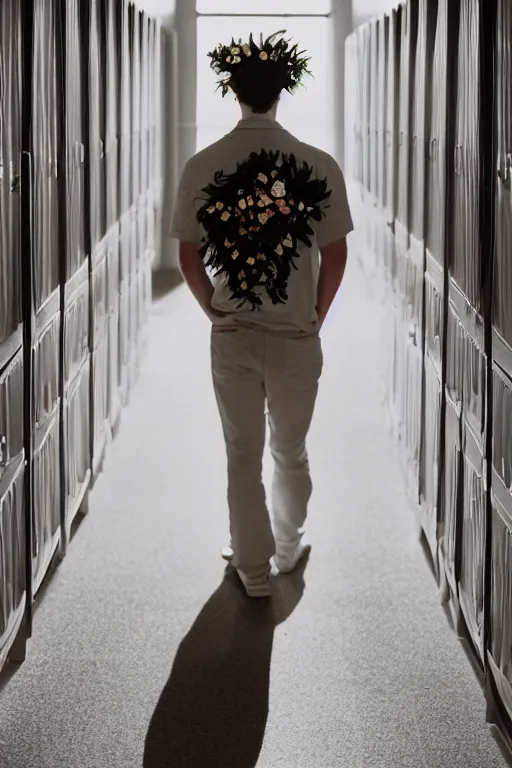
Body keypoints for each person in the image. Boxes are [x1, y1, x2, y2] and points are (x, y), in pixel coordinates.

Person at [170, 31, 353, 598]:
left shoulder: (203, 165)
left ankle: (253, 570)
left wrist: (213, 312)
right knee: (290, 448)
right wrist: (316, 314)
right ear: (283, 92)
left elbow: (187, 254)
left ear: (233, 91)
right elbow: (336, 250)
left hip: (235, 332)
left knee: (241, 454)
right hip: (297, 333)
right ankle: (287, 544)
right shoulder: (317, 164)